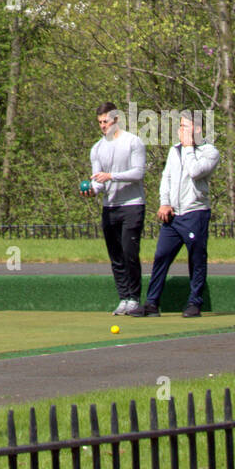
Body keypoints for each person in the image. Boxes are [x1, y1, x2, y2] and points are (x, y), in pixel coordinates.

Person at [140, 112, 220, 318]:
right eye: (180, 126)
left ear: (198, 129)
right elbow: (166, 177)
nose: (180, 130)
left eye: (185, 126)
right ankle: (151, 303)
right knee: (161, 256)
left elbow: (195, 171)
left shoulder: (210, 152)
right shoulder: (173, 151)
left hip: (195, 213)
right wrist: (164, 202)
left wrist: (188, 147)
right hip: (173, 215)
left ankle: (194, 302)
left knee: (196, 257)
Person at [89, 101, 146, 316]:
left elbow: (138, 173)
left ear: (116, 119)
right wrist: (92, 190)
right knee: (116, 255)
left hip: (132, 205)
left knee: (129, 252)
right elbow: (98, 182)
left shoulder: (133, 142)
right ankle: (123, 297)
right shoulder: (97, 149)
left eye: (106, 121)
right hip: (110, 207)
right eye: (100, 122)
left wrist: (111, 176)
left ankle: (134, 298)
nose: (103, 126)